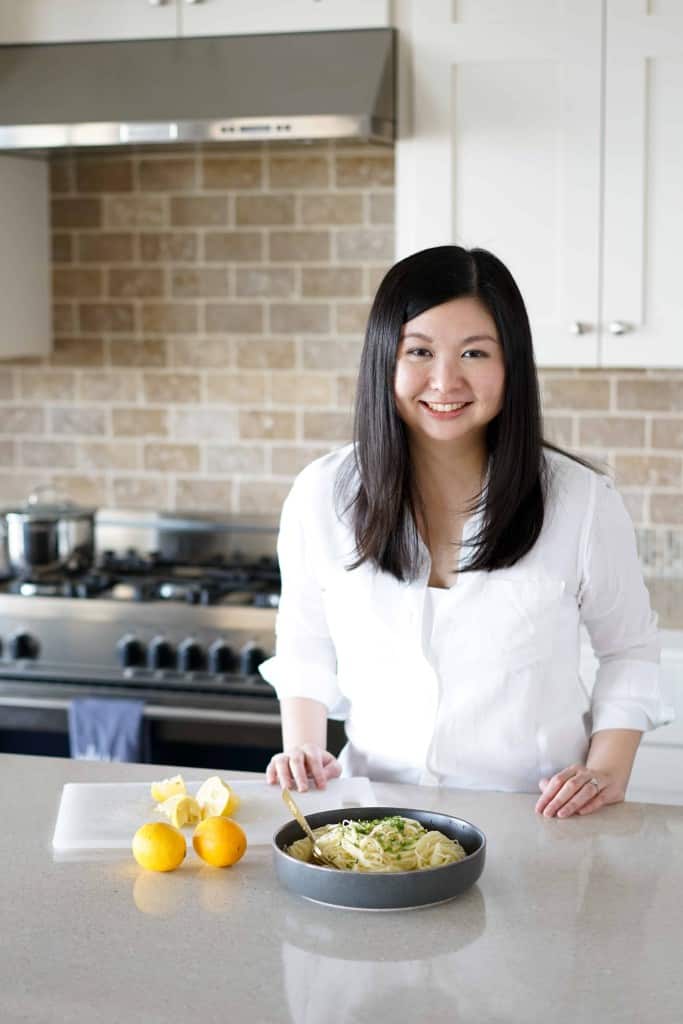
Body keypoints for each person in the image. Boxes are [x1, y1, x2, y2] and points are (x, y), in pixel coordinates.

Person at [259, 245, 673, 818]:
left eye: (475, 352)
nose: (445, 380)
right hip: (371, 822)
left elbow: (629, 650)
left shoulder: (581, 503)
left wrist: (606, 770)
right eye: (419, 351)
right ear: (386, 360)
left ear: (512, 366)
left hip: (538, 822)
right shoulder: (321, 495)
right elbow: (305, 645)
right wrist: (303, 748)